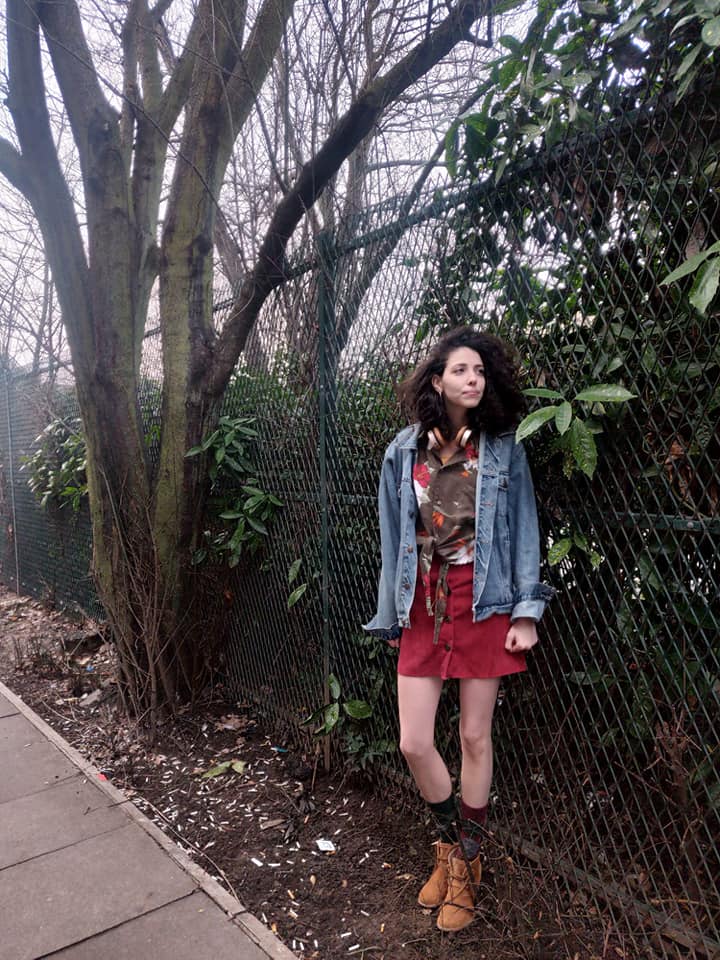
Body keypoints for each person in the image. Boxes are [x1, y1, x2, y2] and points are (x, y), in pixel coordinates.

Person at [364, 325, 554, 932]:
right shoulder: (403, 450)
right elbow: (392, 540)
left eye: (480, 370)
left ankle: (466, 865)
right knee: (413, 742)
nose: (473, 379)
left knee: (474, 735)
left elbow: (525, 530)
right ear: (437, 380)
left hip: (483, 600)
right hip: (422, 603)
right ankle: (451, 846)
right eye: (461, 370)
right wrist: (391, 614)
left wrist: (525, 612)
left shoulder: (502, 448)